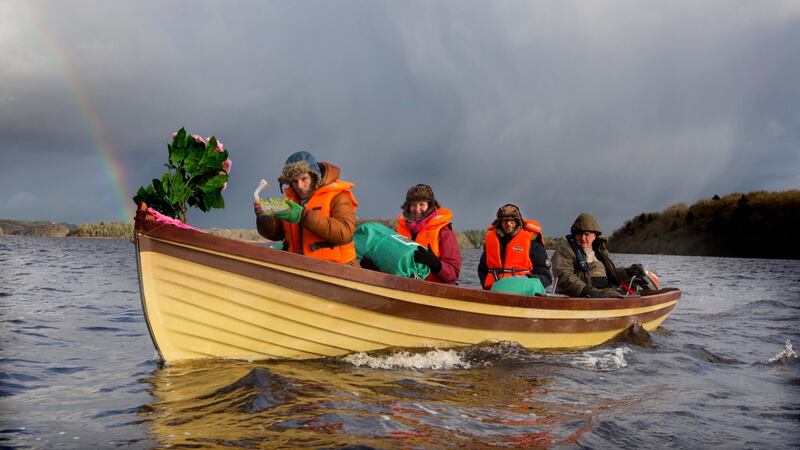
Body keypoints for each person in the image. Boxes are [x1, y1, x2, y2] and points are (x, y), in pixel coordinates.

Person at [254, 151, 358, 265]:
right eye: (294, 181)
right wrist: (265, 218)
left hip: (340, 270)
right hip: (300, 269)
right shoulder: (289, 201)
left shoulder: (338, 196)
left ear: (315, 177)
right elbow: (275, 235)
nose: (299, 186)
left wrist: (303, 216)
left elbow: (345, 232)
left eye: (304, 179)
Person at [551, 212, 644, 297]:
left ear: (594, 236)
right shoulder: (564, 250)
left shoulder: (601, 251)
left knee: (637, 287)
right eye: (579, 234)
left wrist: (628, 272)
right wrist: (586, 290)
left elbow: (613, 274)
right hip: (578, 297)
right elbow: (564, 276)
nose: (583, 238)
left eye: (586, 234)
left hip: (603, 294)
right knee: (614, 295)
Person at [394, 184, 461, 284]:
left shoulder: (444, 232)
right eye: (413, 205)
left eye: (422, 204)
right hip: (403, 286)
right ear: (408, 207)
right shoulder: (399, 230)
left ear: (430, 206)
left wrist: (435, 263)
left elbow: (453, 274)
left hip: (435, 290)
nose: (417, 209)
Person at [478, 204, 552, 290]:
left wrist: (526, 281)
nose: (508, 224)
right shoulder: (491, 243)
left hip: (523, 294)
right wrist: (486, 285)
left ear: (517, 222)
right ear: (500, 223)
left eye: (512, 221)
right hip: (494, 292)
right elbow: (482, 270)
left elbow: (546, 277)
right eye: (505, 221)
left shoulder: (533, 244)